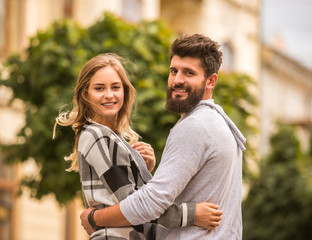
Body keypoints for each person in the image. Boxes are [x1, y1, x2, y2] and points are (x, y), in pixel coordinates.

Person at [80, 34, 246, 239]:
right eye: (173, 71)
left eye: (189, 73)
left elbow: (149, 204)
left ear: (211, 81)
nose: (177, 80)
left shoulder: (194, 127)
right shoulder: (220, 124)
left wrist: (93, 218)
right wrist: (142, 169)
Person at [53, 53, 222, 240]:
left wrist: (142, 168)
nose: (109, 95)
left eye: (115, 87)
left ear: (124, 91)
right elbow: (136, 207)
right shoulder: (97, 136)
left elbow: (130, 197)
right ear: (85, 94)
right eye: (99, 88)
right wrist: (193, 214)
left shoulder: (111, 137)